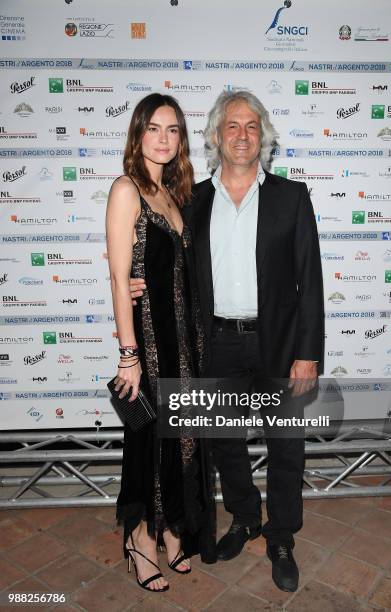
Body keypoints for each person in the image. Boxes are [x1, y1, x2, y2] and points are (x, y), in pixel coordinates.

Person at [130, 89, 324, 593]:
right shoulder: (192, 200)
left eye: (251, 126)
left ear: (264, 136)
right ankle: (244, 517)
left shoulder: (292, 196)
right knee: (224, 444)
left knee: (287, 446)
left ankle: (281, 536)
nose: (242, 135)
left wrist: (308, 354)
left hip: (279, 345)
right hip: (214, 343)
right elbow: (168, 261)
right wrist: (136, 280)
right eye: (232, 126)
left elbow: (311, 281)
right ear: (217, 136)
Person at [106, 93, 216, 594]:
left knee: (181, 442)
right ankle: (140, 541)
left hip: (184, 342)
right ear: (138, 133)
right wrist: (128, 356)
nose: (164, 138)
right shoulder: (126, 189)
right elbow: (117, 277)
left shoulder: (173, 194)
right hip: (149, 342)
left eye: (173, 130)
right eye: (154, 128)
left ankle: (171, 526)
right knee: (149, 442)